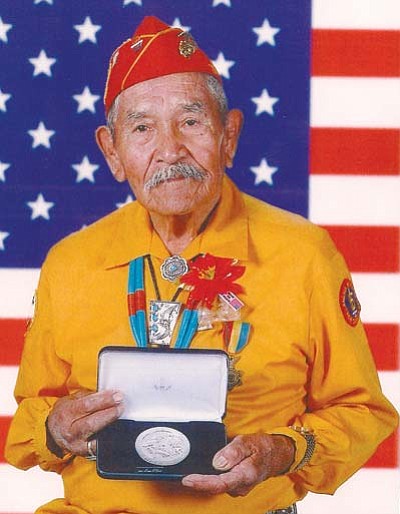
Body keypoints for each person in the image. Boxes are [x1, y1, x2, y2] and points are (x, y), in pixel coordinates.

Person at [5, 15, 398, 514]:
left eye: (191, 121)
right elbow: (27, 421)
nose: (169, 149)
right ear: (112, 152)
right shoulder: (69, 263)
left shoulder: (305, 255)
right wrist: (54, 428)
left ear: (229, 135)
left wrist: (284, 450)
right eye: (142, 128)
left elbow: (363, 412)